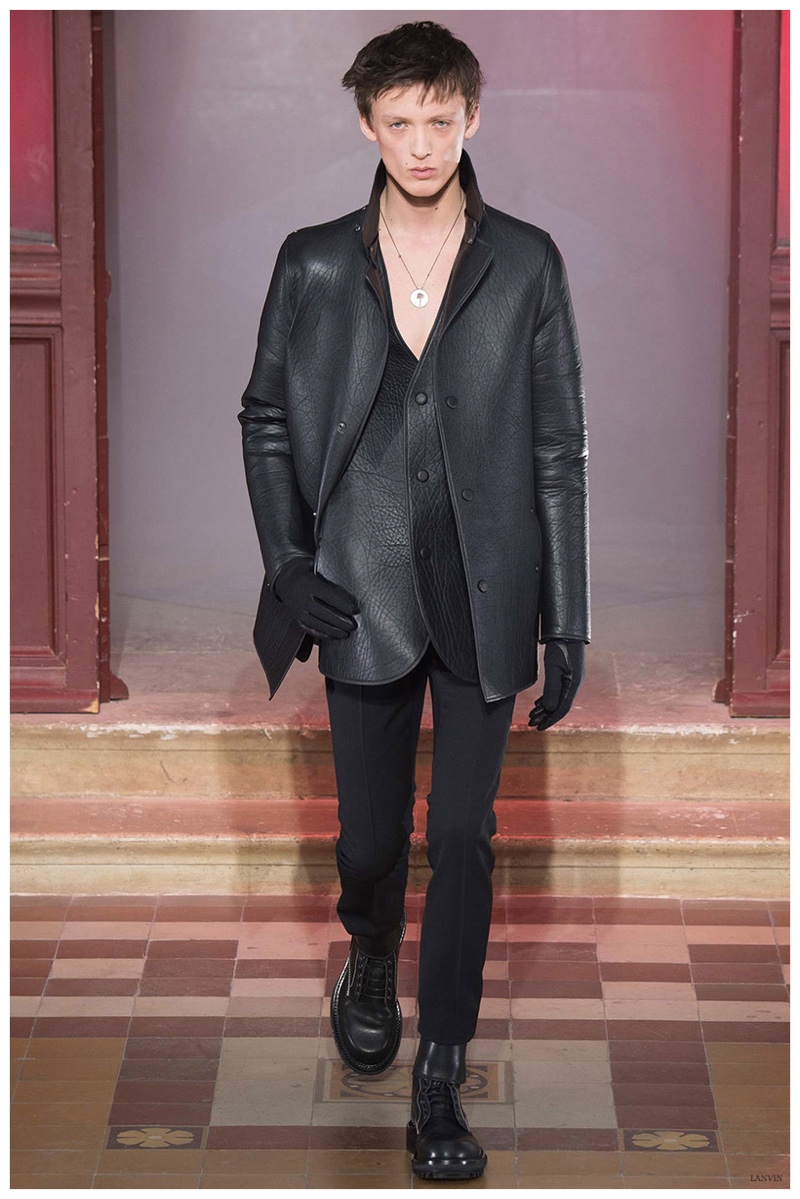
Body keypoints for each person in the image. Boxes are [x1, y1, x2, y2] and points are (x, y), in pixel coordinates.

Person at [238, 20, 589, 1182]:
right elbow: (266, 415)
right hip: (358, 587)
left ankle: (438, 1070)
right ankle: (369, 941)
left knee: (463, 835)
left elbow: (556, 446)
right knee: (371, 838)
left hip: (486, 592)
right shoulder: (313, 261)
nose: (424, 143)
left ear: (471, 116)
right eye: (400, 122)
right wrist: (288, 561)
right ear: (366, 126)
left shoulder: (526, 261)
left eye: (441, 119)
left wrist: (567, 613)